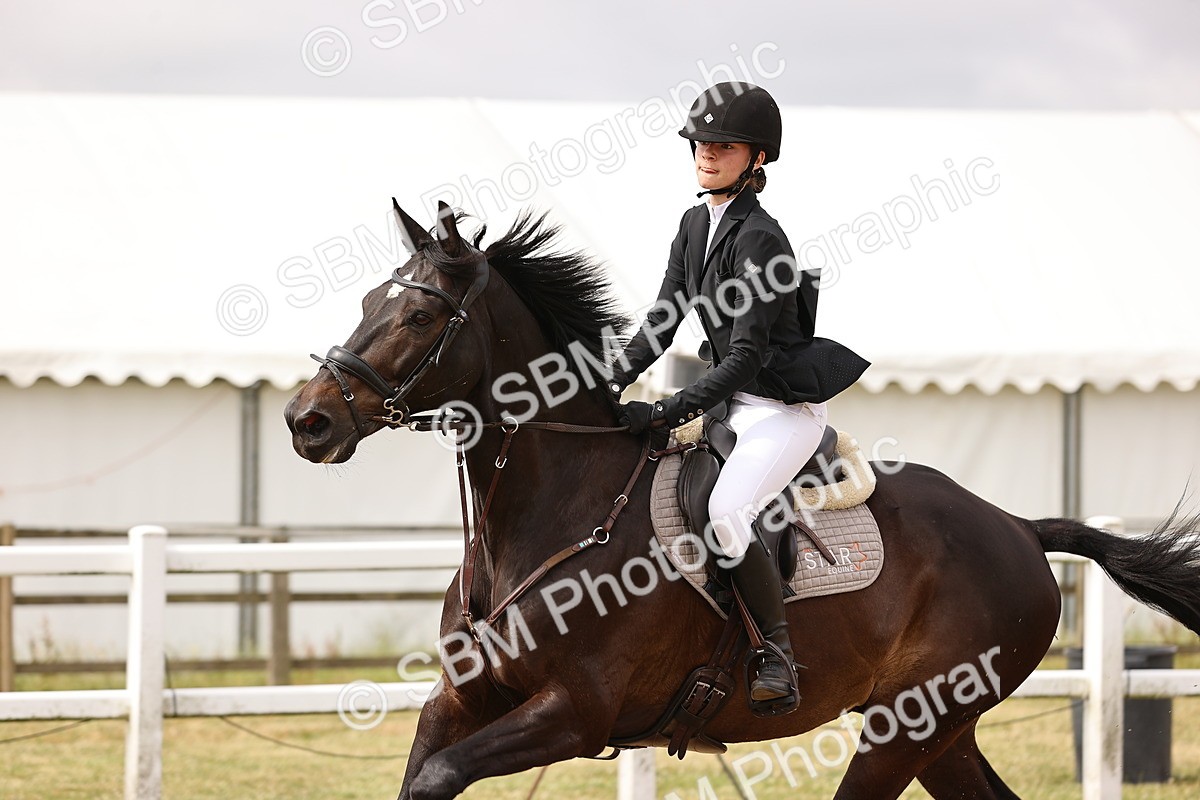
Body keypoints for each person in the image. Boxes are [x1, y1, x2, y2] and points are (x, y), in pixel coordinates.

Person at [610, 82, 869, 710]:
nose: (705, 153)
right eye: (700, 143)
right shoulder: (695, 223)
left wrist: (669, 408)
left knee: (727, 512)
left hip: (779, 412)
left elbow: (749, 356)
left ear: (757, 159)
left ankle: (775, 655)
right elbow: (663, 318)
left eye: (722, 145)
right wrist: (606, 381)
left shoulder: (760, 238)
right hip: (729, 406)